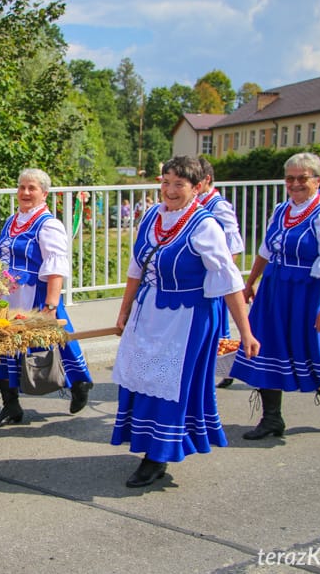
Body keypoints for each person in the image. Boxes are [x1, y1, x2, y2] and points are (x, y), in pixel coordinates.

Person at [111, 156, 259, 488]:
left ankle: (158, 456)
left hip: (187, 317)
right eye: (166, 182)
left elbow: (230, 281)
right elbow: (136, 268)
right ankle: (149, 444)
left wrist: (245, 331)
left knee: (169, 385)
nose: (170, 190)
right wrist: (124, 310)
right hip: (148, 312)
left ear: (197, 187)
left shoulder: (205, 225)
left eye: (179, 184)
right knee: (141, 375)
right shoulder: (151, 216)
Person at [230, 152, 320, 440]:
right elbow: (265, 250)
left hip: (306, 292)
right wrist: (249, 284)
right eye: (290, 178)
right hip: (274, 289)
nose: (295, 184)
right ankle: (272, 418)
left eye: (302, 178)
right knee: (265, 348)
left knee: (311, 350)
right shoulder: (281, 210)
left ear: (318, 181)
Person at [0, 168, 93, 428]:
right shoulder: (12, 220)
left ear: (44, 193)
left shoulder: (49, 225)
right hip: (6, 296)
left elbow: (56, 268)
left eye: (32, 188)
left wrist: (51, 306)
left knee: (55, 344)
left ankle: (79, 383)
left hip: (35, 294)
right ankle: (11, 406)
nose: (25, 193)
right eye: (22, 187)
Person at [196, 157, 246, 389]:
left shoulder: (218, 205)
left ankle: (226, 368)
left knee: (218, 328)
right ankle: (214, 369)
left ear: (206, 179)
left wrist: (221, 275)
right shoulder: (197, 203)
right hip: (202, 278)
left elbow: (233, 245)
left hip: (214, 278)